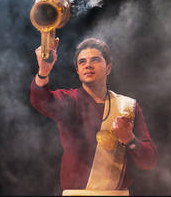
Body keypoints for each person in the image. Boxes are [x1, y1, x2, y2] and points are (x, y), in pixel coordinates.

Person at [30, 37, 158, 196]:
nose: (88, 65)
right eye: (82, 62)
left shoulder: (128, 106)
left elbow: (149, 160)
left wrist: (130, 140)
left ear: (109, 67)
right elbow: (41, 100)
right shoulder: (69, 101)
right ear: (77, 70)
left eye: (95, 60)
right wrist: (43, 72)